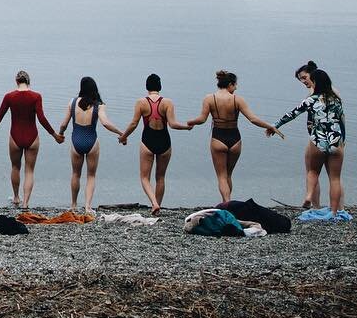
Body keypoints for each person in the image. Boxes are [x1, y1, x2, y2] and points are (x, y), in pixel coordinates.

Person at [184, 70, 284, 202]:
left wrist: (191, 122)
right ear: (230, 84)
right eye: (235, 85)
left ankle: (227, 203)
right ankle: (228, 203)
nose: (236, 88)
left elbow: (202, 119)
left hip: (218, 138)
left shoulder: (209, 98)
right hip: (235, 139)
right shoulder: (237, 99)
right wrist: (270, 126)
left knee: (221, 176)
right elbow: (253, 119)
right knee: (228, 175)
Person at [272, 65, 347, 212]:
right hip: (336, 140)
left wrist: (275, 126)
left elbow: (291, 114)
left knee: (313, 171)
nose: (307, 83)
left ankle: (308, 196)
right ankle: (334, 212)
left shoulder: (310, 100)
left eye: (308, 80)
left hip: (318, 139)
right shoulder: (336, 100)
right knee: (335, 178)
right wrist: (343, 140)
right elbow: (342, 121)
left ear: (315, 81)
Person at [116, 74, 192, 215]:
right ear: (160, 86)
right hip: (164, 141)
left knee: (145, 177)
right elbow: (173, 124)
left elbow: (133, 124)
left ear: (147, 86)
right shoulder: (167, 102)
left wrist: (123, 137)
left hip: (147, 141)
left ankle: (154, 203)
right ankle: (157, 207)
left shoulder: (141, 102)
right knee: (160, 177)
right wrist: (186, 127)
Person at [0, 70, 62, 209]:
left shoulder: (9, 96)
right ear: (28, 81)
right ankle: (26, 203)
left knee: (15, 167)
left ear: (16, 81)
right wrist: (54, 135)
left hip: (15, 136)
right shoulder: (36, 96)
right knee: (29, 171)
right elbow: (41, 118)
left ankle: (16, 197)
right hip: (32, 136)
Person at [57, 76, 124, 214]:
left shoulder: (73, 102)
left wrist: (60, 134)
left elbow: (64, 124)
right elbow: (105, 123)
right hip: (91, 141)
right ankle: (87, 206)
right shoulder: (99, 105)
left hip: (76, 141)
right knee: (91, 175)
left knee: (76, 174)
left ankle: (74, 205)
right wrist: (121, 133)